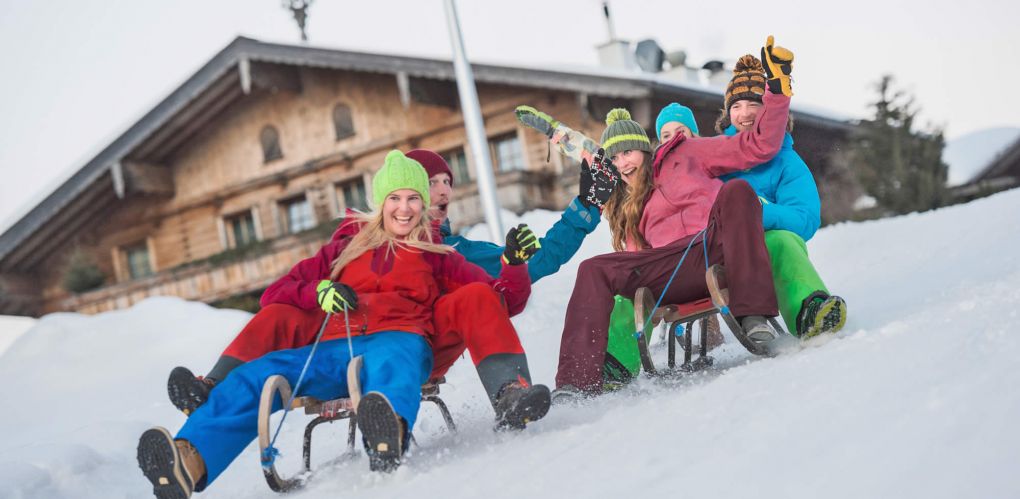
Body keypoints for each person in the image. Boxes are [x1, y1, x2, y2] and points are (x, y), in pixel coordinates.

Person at [139, 151, 546, 498]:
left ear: (423, 206)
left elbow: (501, 301)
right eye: (394, 198)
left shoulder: (438, 254)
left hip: (401, 339)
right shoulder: (344, 248)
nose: (403, 208)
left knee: (394, 365)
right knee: (259, 374)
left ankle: (389, 430)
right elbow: (278, 291)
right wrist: (317, 291)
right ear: (379, 203)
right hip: (335, 346)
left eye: (412, 199)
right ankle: (189, 459)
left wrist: (514, 265)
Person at [167, 148, 614, 422]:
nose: (443, 192)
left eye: (445, 183)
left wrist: (584, 208)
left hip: (421, 346)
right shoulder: (355, 245)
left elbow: (530, 268)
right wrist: (318, 294)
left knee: (476, 296)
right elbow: (288, 289)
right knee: (285, 315)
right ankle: (213, 387)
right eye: (430, 184)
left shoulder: (454, 250)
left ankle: (510, 395)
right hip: (356, 341)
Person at [554, 36, 795, 395]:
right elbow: (595, 165)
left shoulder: (689, 151)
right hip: (665, 267)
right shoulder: (631, 198)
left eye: (629, 154)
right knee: (594, 268)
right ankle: (577, 381)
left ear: (646, 149)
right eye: (616, 160)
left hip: (711, 246)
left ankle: (755, 316)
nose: (623, 165)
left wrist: (777, 91)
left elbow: (758, 145)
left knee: (739, 192)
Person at [706, 54, 847, 338]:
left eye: (754, 104)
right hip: (718, 249)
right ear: (727, 114)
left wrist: (755, 213)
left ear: (770, 110)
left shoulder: (786, 162)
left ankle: (809, 309)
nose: (744, 113)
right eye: (736, 106)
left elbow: (804, 219)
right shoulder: (715, 158)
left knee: (781, 239)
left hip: (767, 248)